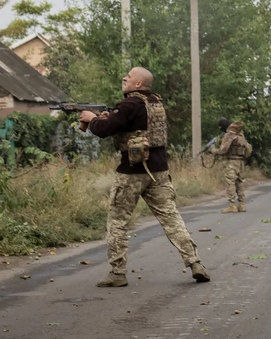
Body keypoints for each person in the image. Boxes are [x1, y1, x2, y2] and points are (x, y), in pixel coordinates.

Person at [79, 67, 210, 287]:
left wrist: (92, 119)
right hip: (158, 170)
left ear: (138, 84)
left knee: (117, 222)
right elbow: (129, 125)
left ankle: (117, 273)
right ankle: (195, 263)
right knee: (171, 218)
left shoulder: (130, 104)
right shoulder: (155, 103)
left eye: (128, 77)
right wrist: (105, 117)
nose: (124, 78)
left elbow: (103, 130)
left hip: (132, 172)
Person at [209, 118, 253, 214]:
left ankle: (232, 205)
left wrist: (213, 150)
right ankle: (241, 204)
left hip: (232, 162)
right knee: (239, 182)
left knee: (230, 182)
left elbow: (223, 150)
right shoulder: (240, 134)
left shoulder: (229, 135)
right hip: (241, 162)